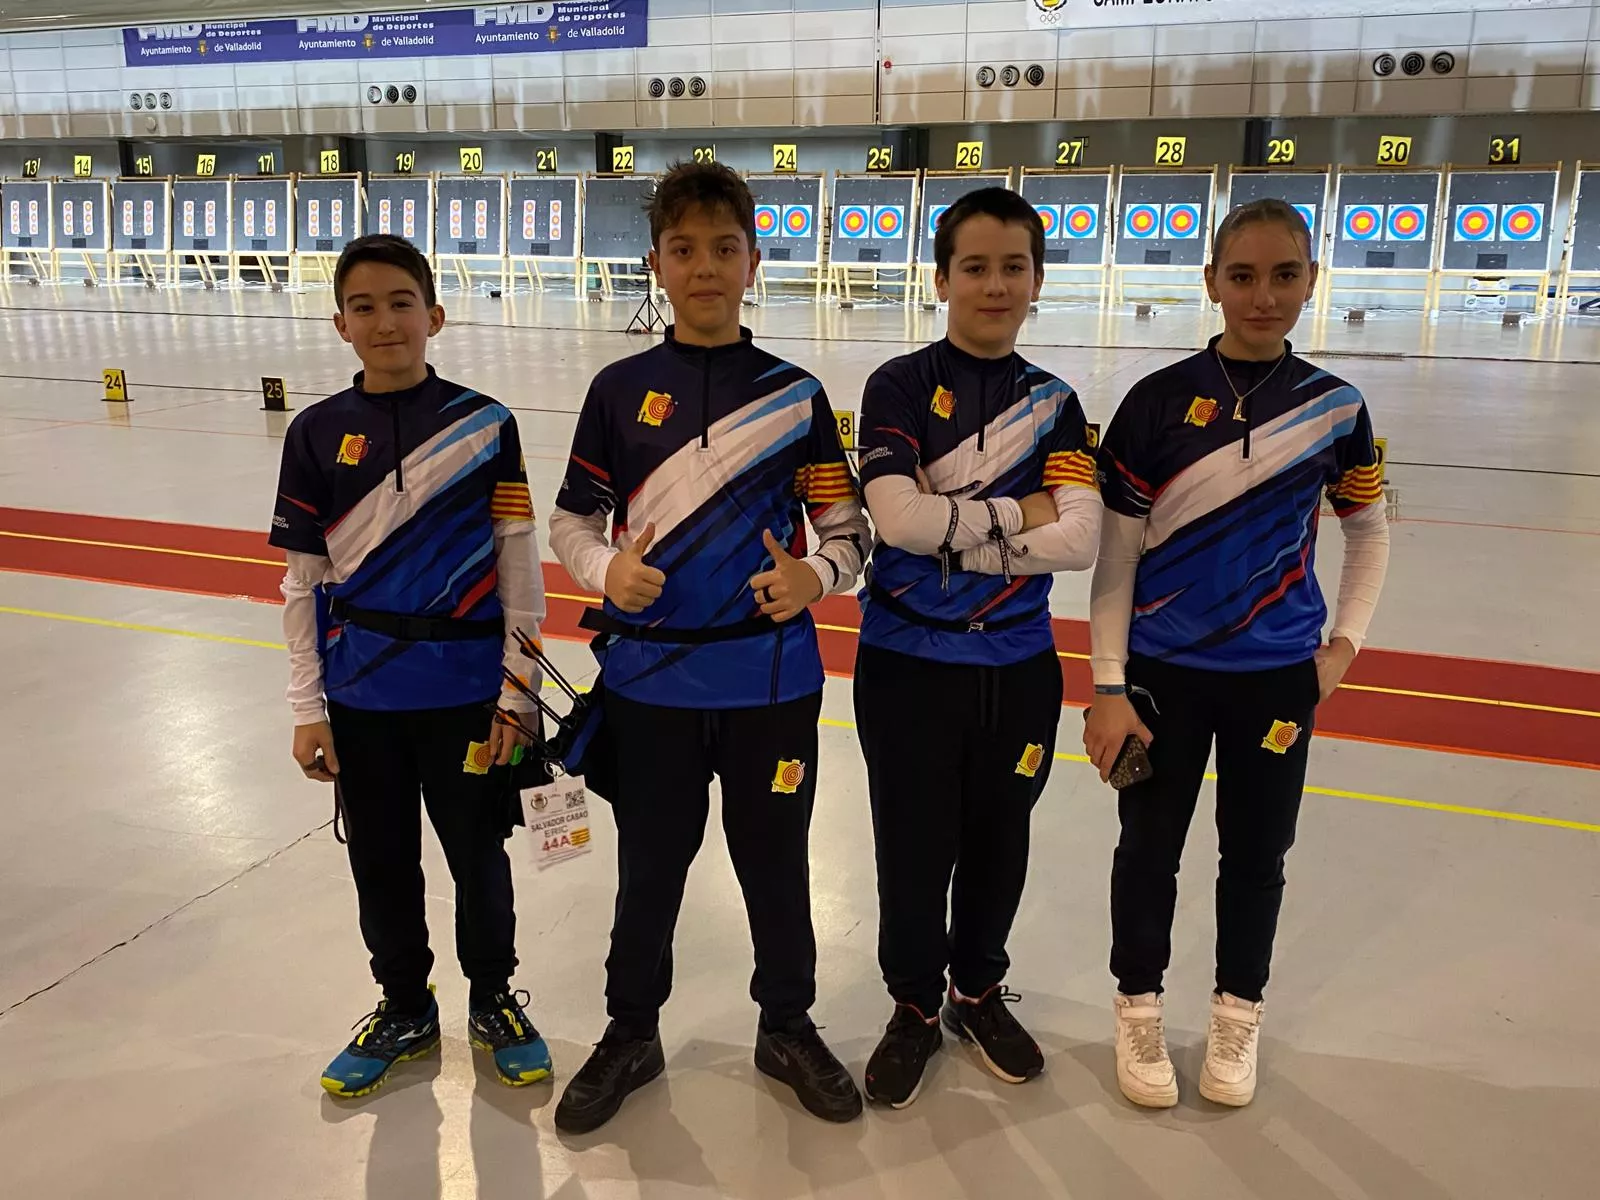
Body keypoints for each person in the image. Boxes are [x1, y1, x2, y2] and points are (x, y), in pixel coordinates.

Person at [547, 161, 870, 1134]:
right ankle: (630, 1032)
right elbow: (571, 522)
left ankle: (786, 1024)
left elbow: (847, 528)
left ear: (752, 260)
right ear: (656, 262)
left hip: (770, 681)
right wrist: (605, 571)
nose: (703, 267)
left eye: (722, 248)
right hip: (649, 683)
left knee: (774, 862)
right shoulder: (618, 391)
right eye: (683, 249)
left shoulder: (794, 395)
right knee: (650, 866)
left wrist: (818, 577)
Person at [1084, 198, 1391, 1109]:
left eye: (1284, 275)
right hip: (1161, 680)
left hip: (1277, 682)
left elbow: (1368, 533)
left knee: (1257, 855)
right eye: (1244, 275)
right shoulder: (1154, 403)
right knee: (1149, 851)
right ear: (1210, 281)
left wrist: (1343, 648)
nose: (1263, 296)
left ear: (1310, 281)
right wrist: (1109, 685)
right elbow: (1116, 558)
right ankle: (1138, 1009)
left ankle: (1236, 1013)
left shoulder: (1337, 408)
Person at [269, 234, 553, 1099]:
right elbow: (303, 581)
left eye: (401, 303)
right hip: (362, 698)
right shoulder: (316, 434)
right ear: (340, 324)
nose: (384, 321)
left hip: (470, 695)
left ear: (434, 315)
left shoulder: (485, 424)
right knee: (382, 859)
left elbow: (519, 564)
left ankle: (495, 998)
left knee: (479, 855)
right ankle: (403, 1004)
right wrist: (306, 706)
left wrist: (521, 688)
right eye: (364, 306)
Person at [852, 187, 1104, 1108]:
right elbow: (898, 519)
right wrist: (1021, 513)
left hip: (1019, 669)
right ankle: (915, 1005)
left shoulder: (1058, 403)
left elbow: (1081, 540)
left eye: (1014, 267)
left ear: (1036, 279)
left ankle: (977, 991)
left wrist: (961, 529)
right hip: (909, 664)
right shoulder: (898, 386)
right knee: (912, 846)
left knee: (1002, 840)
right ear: (942, 278)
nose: (995, 285)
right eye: (976, 267)